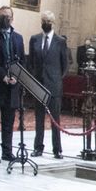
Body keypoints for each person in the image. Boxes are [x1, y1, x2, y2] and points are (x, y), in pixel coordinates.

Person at [26, 10, 69, 158]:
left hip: (54, 86)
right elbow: (30, 62)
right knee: (39, 118)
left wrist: (57, 79)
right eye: (44, 21)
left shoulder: (60, 41)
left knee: (55, 119)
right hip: (38, 85)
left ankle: (57, 149)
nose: (46, 24)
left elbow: (65, 65)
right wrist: (34, 78)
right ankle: (38, 147)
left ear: (53, 23)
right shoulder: (34, 39)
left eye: (49, 22)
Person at [0, 5, 24, 162]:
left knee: (9, 121)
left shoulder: (18, 38)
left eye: (8, 16)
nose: (5, 19)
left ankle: (7, 151)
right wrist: (2, 76)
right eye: (2, 16)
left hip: (13, 85)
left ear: (12, 18)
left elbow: (22, 62)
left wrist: (17, 77)